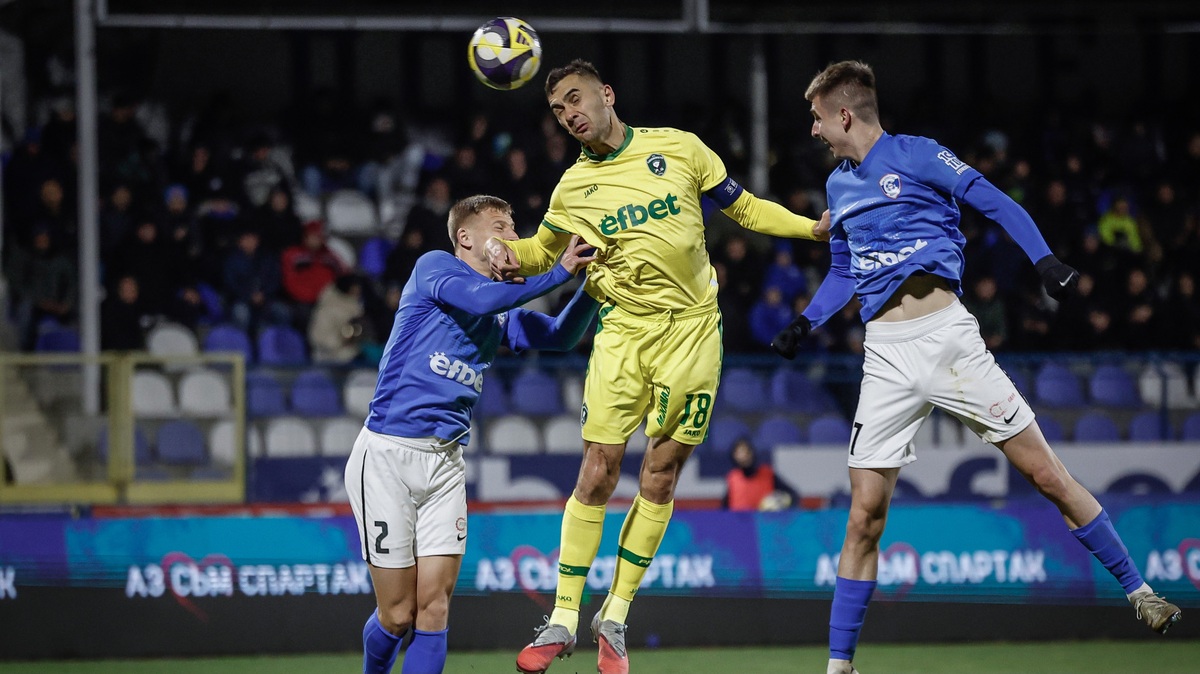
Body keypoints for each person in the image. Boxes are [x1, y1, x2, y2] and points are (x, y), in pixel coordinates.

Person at [770, 60, 1182, 674]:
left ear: (844, 114)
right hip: (884, 355)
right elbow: (842, 272)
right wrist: (807, 321)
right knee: (863, 517)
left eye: (816, 118)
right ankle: (839, 666)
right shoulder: (838, 189)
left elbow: (992, 200)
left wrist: (1045, 261)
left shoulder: (919, 155)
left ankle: (1140, 593)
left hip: (951, 342)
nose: (812, 131)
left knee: (1046, 474)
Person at [485, 59, 829, 674]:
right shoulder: (571, 189)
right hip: (622, 333)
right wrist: (493, 253)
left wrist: (812, 228)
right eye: (558, 110)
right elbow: (541, 253)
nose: (568, 114)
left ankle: (613, 616)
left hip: (693, 333)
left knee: (662, 474)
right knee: (597, 468)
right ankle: (564, 617)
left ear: (606, 93)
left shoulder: (679, 149)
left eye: (574, 99)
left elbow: (744, 209)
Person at [344, 194, 598, 674]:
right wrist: (559, 273)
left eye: (512, 225)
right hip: (389, 454)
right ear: (466, 237)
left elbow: (558, 337)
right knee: (397, 615)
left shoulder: (499, 308)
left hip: (445, 463)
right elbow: (480, 297)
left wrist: (592, 286)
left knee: (434, 608)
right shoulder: (435, 268)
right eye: (499, 225)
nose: (511, 235)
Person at [722, 437, 798, 511]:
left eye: (747, 451)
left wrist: (781, 506)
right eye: (739, 453)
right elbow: (724, 509)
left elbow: (793, 495)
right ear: (734, 456)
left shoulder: (767, 475)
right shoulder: (733, 478)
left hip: (765, 521)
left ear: (752, 452)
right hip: (739, 522)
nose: (744, 455)